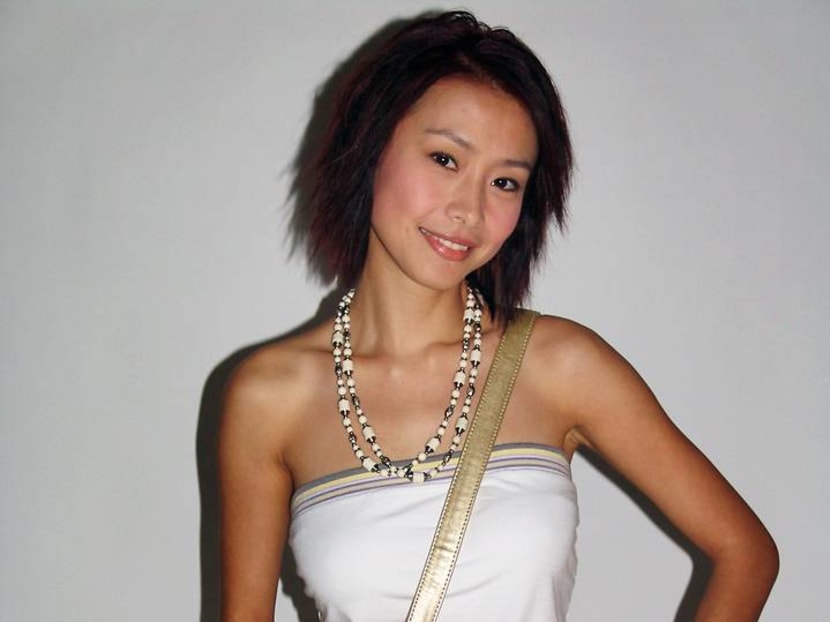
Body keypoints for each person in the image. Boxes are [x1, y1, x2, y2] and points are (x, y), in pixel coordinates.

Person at [218, 11, 778, 621]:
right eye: (444, 159)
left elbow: (745, 553)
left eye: (505, 183)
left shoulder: (560, 366)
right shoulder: (270, 397)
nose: (469, 209)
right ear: (371, 148)